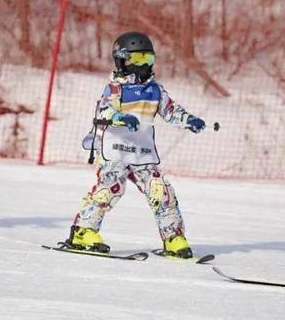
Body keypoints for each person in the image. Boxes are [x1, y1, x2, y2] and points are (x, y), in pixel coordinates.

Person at [63, 31, 206, 258]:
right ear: (121, 60)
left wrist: (189, 120)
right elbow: (104, 110)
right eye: (137, 60)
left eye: (147, 60)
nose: (143, 66)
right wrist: (119, 117)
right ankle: (83, 231)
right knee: (111, 187)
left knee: (161, 191)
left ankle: (174, 237)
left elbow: (170, 111)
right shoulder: (115, 88)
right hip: (114, 148)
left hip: (141, 152)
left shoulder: (155, 89)